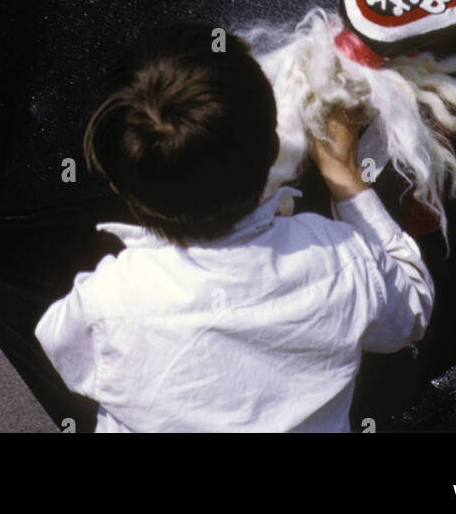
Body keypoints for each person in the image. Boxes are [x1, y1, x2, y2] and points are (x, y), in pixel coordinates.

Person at [35, 24, 433, 434]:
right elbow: (410, 314)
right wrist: (343, 171)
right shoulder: (343, 259)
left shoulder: (106, 302)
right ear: (275, 147)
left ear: (117, 184)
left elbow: (67, 357)